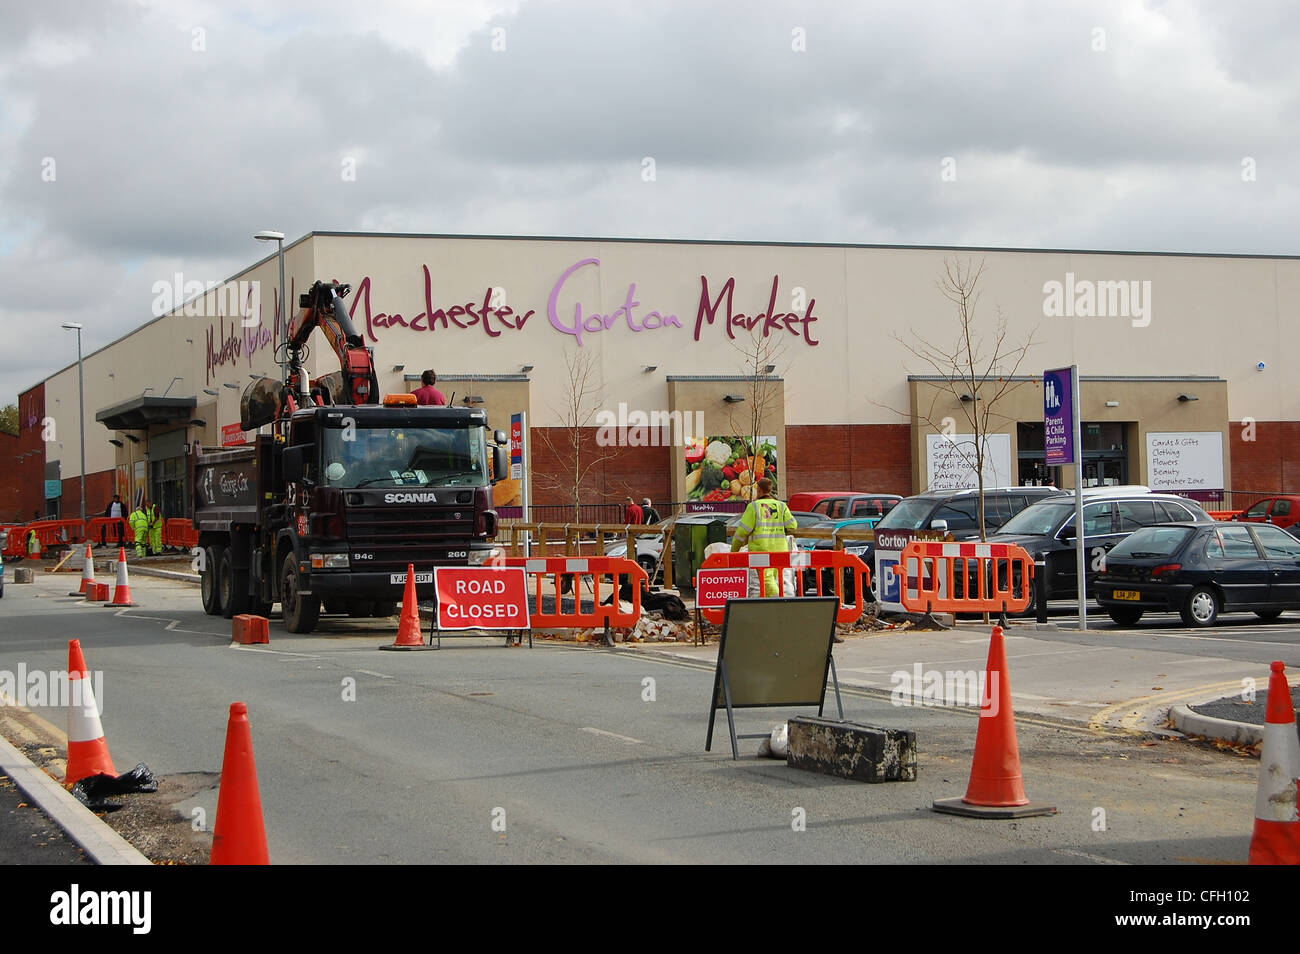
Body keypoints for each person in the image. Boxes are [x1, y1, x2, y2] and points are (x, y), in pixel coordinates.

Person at [730, 477, 797, 596]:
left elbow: (742, 532)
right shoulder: (781, 505)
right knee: (773, 580)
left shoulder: (754, 506)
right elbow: (793, 525)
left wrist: (734, 551)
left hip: (761, 550)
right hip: (780, 549)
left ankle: (779, 604)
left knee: (766, 581)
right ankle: (769, 605)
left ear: (759, 490)